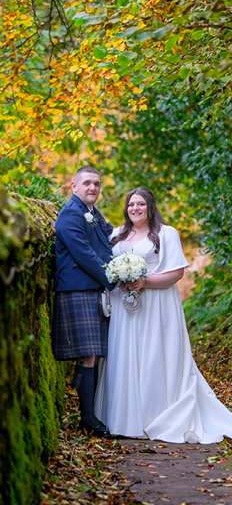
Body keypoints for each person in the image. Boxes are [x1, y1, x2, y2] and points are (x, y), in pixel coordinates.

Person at [94, 187, 232, 443]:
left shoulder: (166, 233)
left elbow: (176, 274)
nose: (135, 208)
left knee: (153, 356)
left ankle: (155, 417)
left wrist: (143, 282)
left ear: (150, 206)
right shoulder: (116, 234)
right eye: (131, 204)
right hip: (122, 306)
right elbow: (107, 267)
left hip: (157, 304)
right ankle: (124, 419)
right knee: (124, 355)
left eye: (140, 204)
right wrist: (120, 280)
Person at [52, 166, 115, 437]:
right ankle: (87, 417)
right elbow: (85, 255)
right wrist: (114, 278)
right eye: (87, 183)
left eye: (97, 184)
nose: (93, 188)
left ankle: (90, 415)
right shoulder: (69, 215)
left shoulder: (92, 213)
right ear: (73, 186)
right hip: (77, 290)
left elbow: (107, 238)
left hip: (92, 288)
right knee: (89, 353)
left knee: (95, 354)